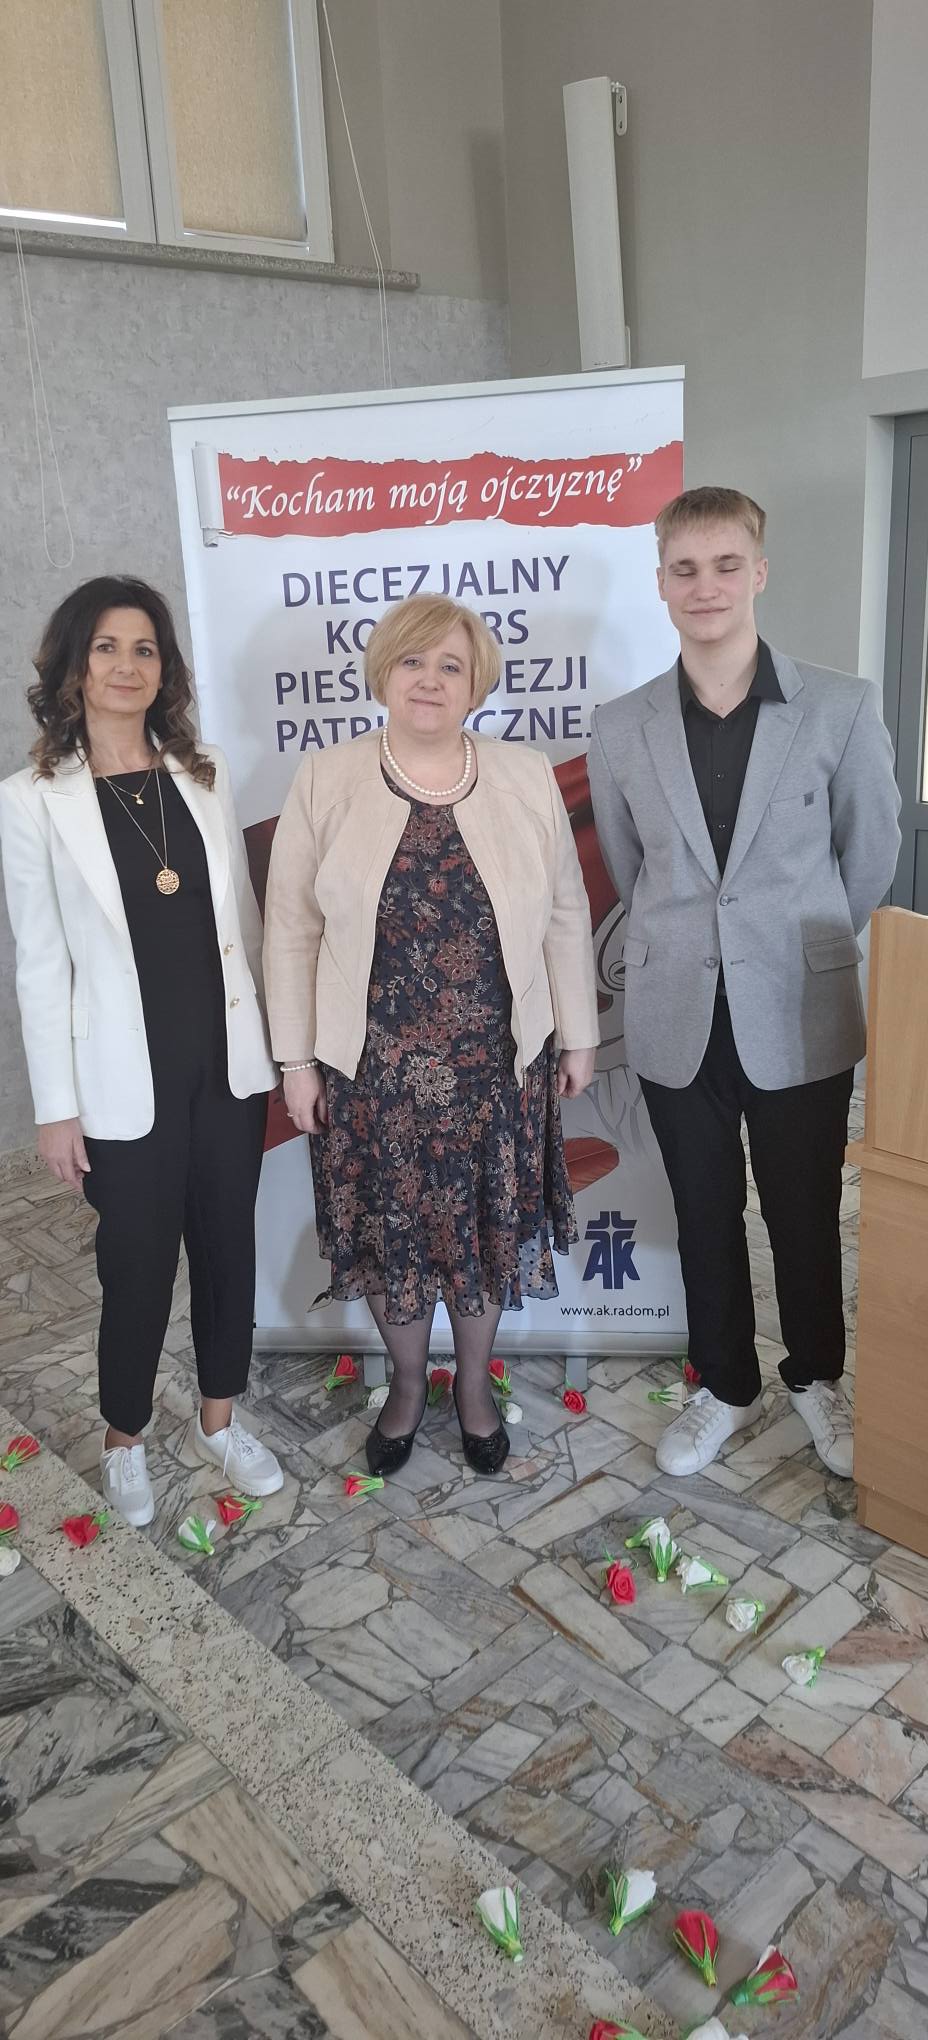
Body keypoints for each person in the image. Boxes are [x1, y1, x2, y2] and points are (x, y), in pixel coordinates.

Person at [589, 487, 901, 1480]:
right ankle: (724, 1383)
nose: (706, 586)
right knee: (702, 1208)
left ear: (758, 571)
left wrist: (790, 942)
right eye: (685, 569)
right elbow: (630, 866)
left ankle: (815, 1375)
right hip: (675, 1008)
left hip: (799, 1005)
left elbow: (870, 854)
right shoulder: (622, 725)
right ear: (660, 583)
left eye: (726, 564)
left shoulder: (841, 705)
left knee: (804, 1210)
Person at [263, 593, 599, 1478]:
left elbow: (567, 912)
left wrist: (579, 1035)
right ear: (384, 671)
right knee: (394, 1242)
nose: (430, 679)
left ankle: (475, 1387)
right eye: (413, 660)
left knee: (485, 1237)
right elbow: (290, 929)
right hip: (371, 1077)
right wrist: (296, 1061)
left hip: (498, 1068)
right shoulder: (325, 779)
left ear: (476, 684)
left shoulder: (525, 775)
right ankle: (409, 1385)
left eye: (452, 665)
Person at [0, 576, 283, 1526]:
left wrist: (279, 1049)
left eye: (145, 648)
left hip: (227, 1064)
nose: (128, 665)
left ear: (165, 669)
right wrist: (55, 1107)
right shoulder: (31, 801)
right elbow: (41, 965)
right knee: (135, 1264)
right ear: (74, 666)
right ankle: (124, 1439)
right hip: (123, 1079)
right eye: (108, 647)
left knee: (228, 1246)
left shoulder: (204, 773)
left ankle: (219, 1421)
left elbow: (243, 923)